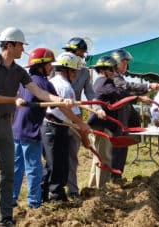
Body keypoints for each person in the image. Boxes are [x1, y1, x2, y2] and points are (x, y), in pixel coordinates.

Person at [0, 27, 75, 227]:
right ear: (10, 45)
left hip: (6, 123)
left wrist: (61, 100)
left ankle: (4, 220)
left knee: (8, 173)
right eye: (21, 45)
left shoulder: (19, 71)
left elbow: (38, 92)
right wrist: (14, 99)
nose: (23, 50)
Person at [41, 52, 90, 203]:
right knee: (57, 163)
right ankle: (56, 195)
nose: (76, 75)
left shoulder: (53, 81)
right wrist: (82, 128)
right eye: (74, 71)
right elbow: (72, 113)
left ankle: (44, 194)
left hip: (51, 126)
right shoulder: (66, 88)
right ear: (67, 70)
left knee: (53, 163)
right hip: (54, 127)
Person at [12, 48, 58, 209]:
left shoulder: (25, 80)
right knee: (33, 169)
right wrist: (67, 104)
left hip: (16, 129)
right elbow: (57, 104)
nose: (51, 67)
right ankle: (34, 203)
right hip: (31, 131)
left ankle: (11, 199)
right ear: (41, 66)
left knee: (17, 167)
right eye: (49, 64)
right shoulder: (44, 83)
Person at [62, 37, 105, 198]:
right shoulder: (58, 67)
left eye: (82, 55)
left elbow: (90, 94)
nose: (81, 57)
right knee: (55, 156)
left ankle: (72, 191)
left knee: (72, 155)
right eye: (79, 54)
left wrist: (97, 108)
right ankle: (54, 191)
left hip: (75, 117)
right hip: (56, 116)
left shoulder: (85, 72)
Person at [110, 49, 159, 181]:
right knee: (116, 152)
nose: (126, 65)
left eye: (127, 62)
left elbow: (126, 94)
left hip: (123, 123)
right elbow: (125, 87)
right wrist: (147, 86)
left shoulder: (119, 77)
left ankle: (117, 177)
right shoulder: (114, 77)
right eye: (124, 62)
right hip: (116, 122)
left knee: (121, 151)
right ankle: (113, 179)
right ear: (116, 62)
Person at [87, 56, 125, 188]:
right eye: (113, 69)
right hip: (103, 127)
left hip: (98, 126)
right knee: (105, 159)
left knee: (97, 159)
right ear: (106, 70)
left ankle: (92, 188)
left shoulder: (99, 82)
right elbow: (121, 94)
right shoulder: (106, 83)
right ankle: (102, 190)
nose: (115, 72)